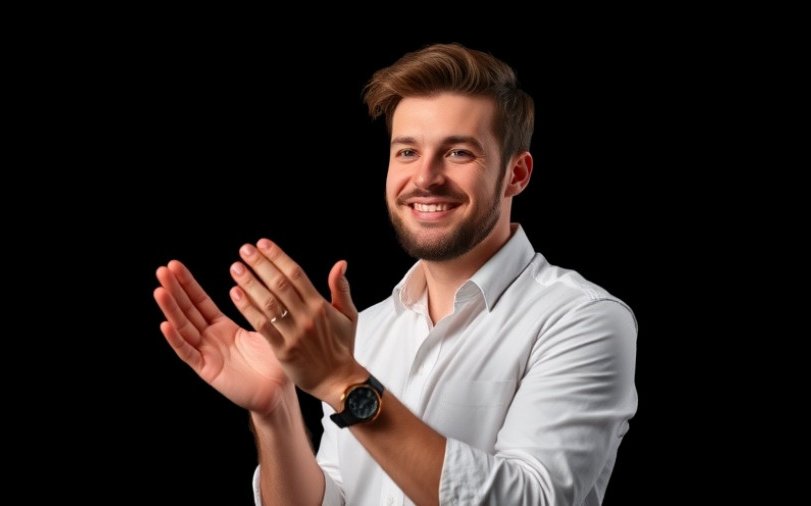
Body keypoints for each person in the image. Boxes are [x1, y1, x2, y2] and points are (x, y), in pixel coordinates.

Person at [153, 42, 638, 505]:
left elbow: (532, 500)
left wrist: (343, 381)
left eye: (459, 152)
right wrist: (275, 410)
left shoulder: (583, 319)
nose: (425, 177)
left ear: (517, 173)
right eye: (407, 151)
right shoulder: (368, 328)